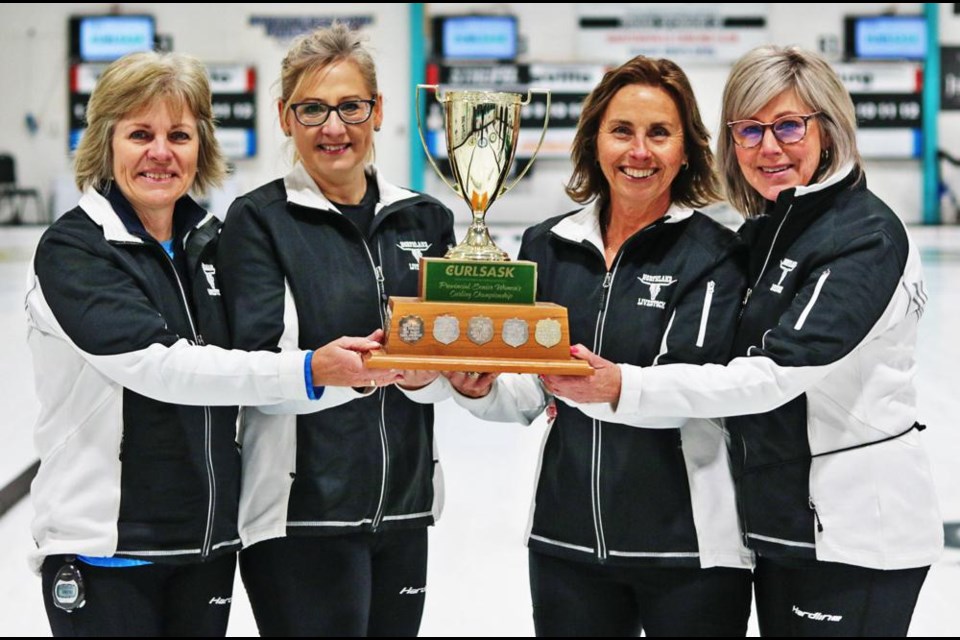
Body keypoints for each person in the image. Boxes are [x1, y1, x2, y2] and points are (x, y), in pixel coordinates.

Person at [550, 45, 943, 636]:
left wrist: (623, 385)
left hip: (856, 534)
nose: (770, 147)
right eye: (750, 129)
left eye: (789, 126)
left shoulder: (865, 236)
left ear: (828, 131)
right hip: (782, 526)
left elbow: (775, 374)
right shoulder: (771, 229)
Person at [25, 51, 393, 637]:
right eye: (139, 134)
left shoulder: (211, 244)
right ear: (105, 143)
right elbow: (160, 369)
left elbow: (254, 369)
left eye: (179, 134)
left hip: (209, 547)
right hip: (109, 550)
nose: (161, 153)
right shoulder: (75, 250)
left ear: (201, 147)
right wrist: (307, 371)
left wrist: (373, 375)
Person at [445, 55, 752, 636]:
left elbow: (703, 387)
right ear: (594, 142)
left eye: (660, 133)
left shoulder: (718, 252)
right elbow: (529, 392)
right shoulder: (548, 245)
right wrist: (477, 388)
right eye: (622, 131)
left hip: (687, 553)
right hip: (567, 544)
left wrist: (617, 386)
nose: (639, 152)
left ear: (686, 150)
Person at [216, 23, 455, 636]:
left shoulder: (427, 218)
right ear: (284, 117)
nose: (333, 126)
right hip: (302, 515)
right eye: (313, 109)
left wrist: (448, 375)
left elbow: (446, 360)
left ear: (377, 112)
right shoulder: (259, 221)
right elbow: (252, 363)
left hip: (404, 507)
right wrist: (336, 372)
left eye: (350, 106)